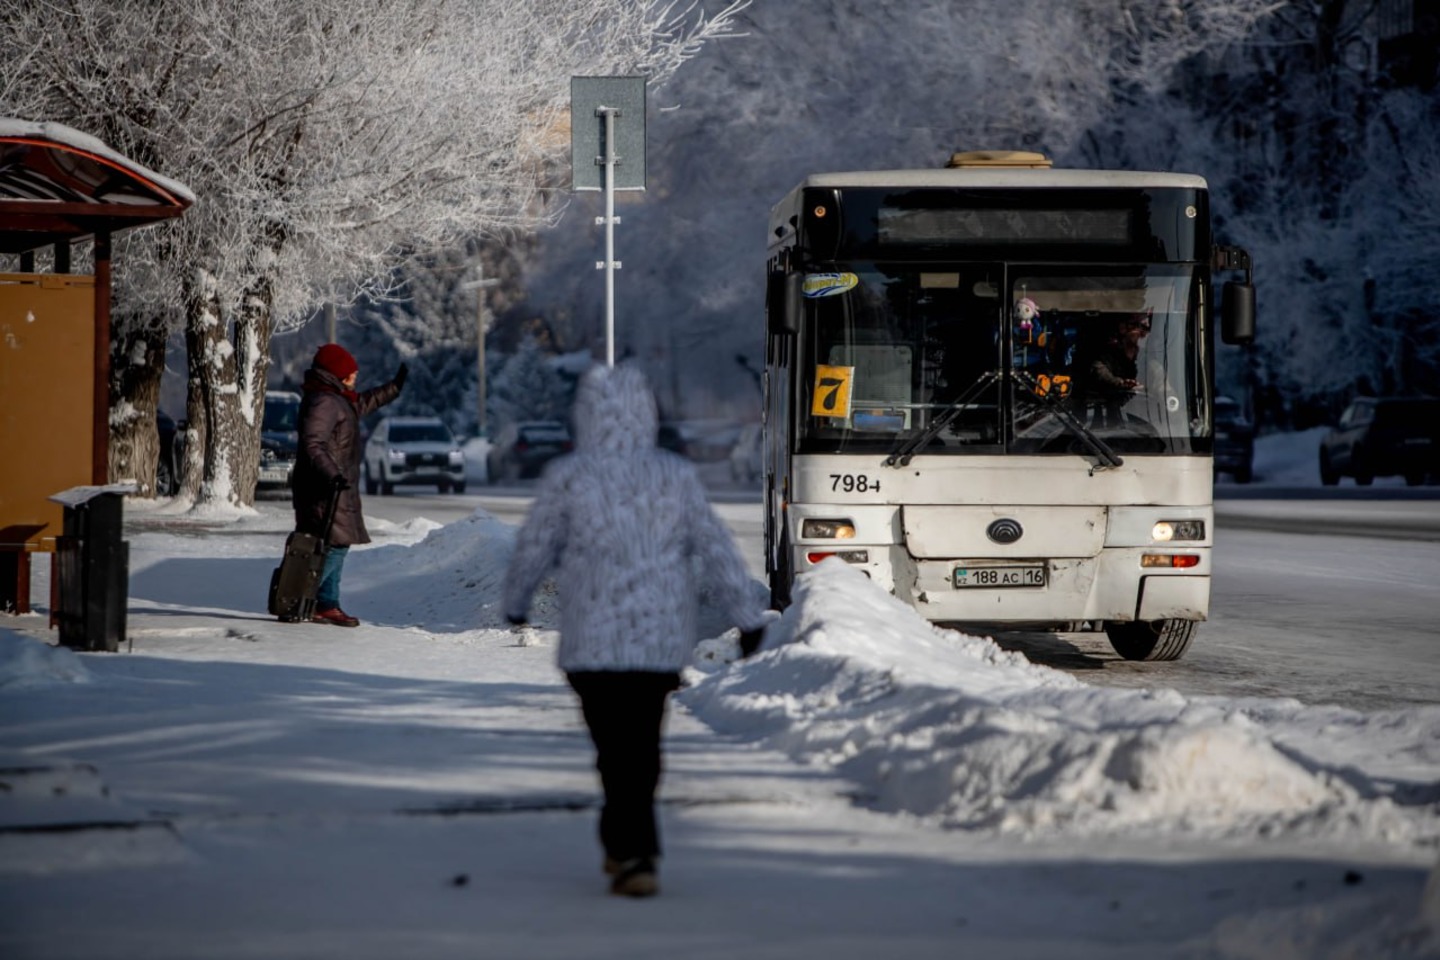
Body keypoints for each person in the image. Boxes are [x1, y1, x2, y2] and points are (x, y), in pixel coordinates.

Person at [501, 364, 770, 899]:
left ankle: (627, 848)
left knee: (611, 749)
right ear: (646, 411)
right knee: (643, 748)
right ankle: (635, 850)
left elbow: (534, 546)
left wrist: (516, 603)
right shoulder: (675, 476)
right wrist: (747, 617)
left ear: (587, 414)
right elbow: (716, 548)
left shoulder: (569, 476)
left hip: (591, 648)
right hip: (656, 645)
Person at [291, 343, 406, 627]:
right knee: (333, 545)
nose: (356, 375)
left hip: (336, 487)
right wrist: (332, 474)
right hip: (324, 488)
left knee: (337, 542)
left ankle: (327, 604)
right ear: (336, 372)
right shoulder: (323, 401)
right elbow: (313, 443)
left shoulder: (337, 398)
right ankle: (302, 597)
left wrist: (394, 387)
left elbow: (364, 402)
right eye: (351, 372)